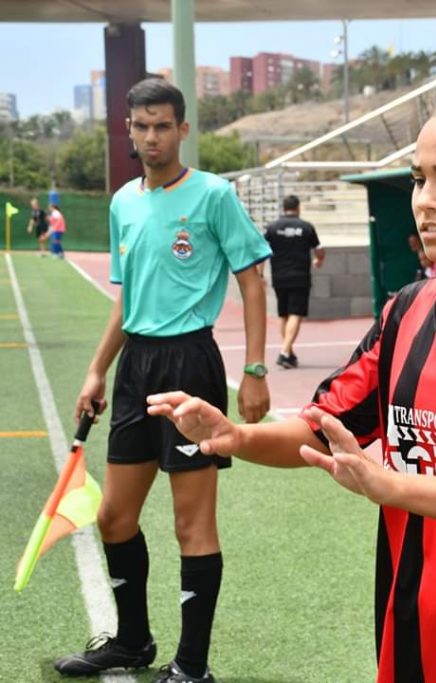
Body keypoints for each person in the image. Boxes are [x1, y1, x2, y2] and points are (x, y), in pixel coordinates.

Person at [147, 92, 436, 682]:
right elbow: (324, 428)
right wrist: (237, 436)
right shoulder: (405, 311)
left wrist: (392, 485)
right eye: (420, 180)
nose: (426, 201)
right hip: (415, 621)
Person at [54, 78, 272, 683]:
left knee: (191, 524)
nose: (152, 136)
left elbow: (252, 281)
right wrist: (97, 369)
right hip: (136, 367)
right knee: (114, 517)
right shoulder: (124, 202)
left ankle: (192, 667)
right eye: (142, 126)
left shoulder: (213, 195)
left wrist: (255, 369)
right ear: (129, 130)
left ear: (183, 129)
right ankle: (132, 642)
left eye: (163, 126)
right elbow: (127, 297)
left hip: (189, 364)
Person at [262, 194, 325, 369]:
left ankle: (289, 352)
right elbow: (319, 250)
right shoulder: (306, 227)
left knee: (283, 315)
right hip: (300, 277)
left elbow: (260, 251)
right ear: (298, 208)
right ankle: (284, 352)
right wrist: (318, 260)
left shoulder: (272, 227)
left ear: (283, 208)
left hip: (279, 276)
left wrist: (260, 275)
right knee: (295, 314)